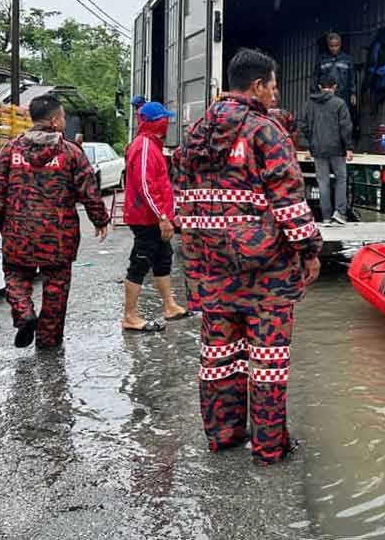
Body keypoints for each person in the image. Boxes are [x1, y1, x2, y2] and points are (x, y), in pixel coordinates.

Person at [173, 47, 323, 465]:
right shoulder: (265, 131)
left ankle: (223, 435)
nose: (275, 94)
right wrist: (310, 251)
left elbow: (182, 203)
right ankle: (269, 448)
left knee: (220, 357)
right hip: (266, 274)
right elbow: (290, 204)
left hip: (210, 270)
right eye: (273, 86)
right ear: (256, 86)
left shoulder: (194, 133)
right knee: (267, 363)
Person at [0, 94, 110, 349]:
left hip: (18, 231)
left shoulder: (10, 150)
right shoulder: (71, 152)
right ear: (54, 121)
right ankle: (49, 340)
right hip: (59, 235)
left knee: (16, 274)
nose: (64, 121)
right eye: (63, 117)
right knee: (56, 287)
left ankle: (24, 313)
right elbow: (88, 189)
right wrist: (100, 219)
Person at [122, 101, 189, 334]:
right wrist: (162, 216)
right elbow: (145, 185)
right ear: (157, 122)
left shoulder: (152, 145)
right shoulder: (144, 147)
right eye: (165, 119)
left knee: (163, 258)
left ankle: (169, 305)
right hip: (146, 218)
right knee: (140, 262)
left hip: (155, 217)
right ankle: (130, 316)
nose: (168, 123)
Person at [301, 73, 353, 225]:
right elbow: (345, 127)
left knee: (322, 181)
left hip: (317, 149)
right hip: (337, 148)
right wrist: (348, 147)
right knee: (341, 179)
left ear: (319, 87)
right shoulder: (339, 103)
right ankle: (340, 213)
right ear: (335, 87)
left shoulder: (310, 103)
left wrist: (310, 143)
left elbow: (304, 126)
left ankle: (325, 217)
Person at [310, 32, 357, 135]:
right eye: (331, 46)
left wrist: (353, 93)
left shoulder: (347, 60)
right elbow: (315, 78)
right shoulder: (321, 60)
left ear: (340, 45)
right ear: (328, 45)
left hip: (343, 96)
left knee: (342, 120)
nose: (334, 48)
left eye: (337, 46)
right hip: (326, 97)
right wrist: (314, 94)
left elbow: (352, 78)